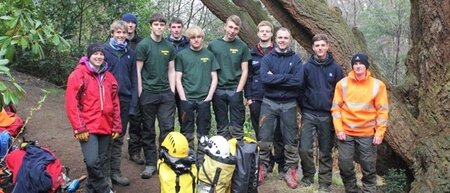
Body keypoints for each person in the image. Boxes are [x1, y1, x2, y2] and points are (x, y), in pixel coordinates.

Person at [65, 43, 120, 193]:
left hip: (106, 125)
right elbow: (72, 103)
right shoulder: (78, 74)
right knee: (91, 160)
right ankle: (104, 189)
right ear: (89, 56)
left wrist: (116, 125)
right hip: (87, 126)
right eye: (95, 54)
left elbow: (115, 103)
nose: (99, 57)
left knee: (102, 161)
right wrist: (79, 127)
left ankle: (90, 189)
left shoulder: (109, 77)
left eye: (101, 54)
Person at [331, 52, 389, 193]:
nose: (358, 66)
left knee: (368, 166)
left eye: (360, 64)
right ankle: (351, 189)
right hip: (346, 132)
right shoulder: (342, 84)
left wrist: (380, 132)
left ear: (366, 66)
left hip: (368, 133)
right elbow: (336, 109)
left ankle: (369, 190)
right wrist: (339, 129)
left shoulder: (377, 85)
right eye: (355, 64)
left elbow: (382, 111)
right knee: (344, 165)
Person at [258, 28, 303, 189]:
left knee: (290, 139)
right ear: (275, 39)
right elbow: (265, 79)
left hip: (289, 104)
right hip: (269, 103)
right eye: (280, 37)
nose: (282, 40)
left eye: (286, 38)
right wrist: (287, 77)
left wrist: (275, 78)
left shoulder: (296, 59)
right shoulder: (268, 58)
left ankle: (290, 170)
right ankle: (262, 167)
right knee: (264, 138)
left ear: (290, 40)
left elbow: (297, 82)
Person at [298, 33, 344, 191]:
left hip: (328, 115)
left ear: (328, 47)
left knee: (325, 150)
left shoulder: (336, 68)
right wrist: (305, 106)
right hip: (309, 113)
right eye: (317, 46)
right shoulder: (307, 67)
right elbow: (300, 90)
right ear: (313, 48)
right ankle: (308, 175)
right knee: (304, 148)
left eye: (323, 45)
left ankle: (325, 182)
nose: (320, 48)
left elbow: (341, 93)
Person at [135, 13, 176, 179]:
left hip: (166, 94)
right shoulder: (144, 45)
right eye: (156, 24)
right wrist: (140, 93)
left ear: (165, 27)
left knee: (167, 129)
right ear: (151, 26)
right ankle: (150, 164)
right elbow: (138, 71)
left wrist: (172, 92)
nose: (159, 27)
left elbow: (172, 69)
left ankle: (164, 161)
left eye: (161, 24)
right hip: (148, 93)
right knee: (149, 130)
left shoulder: (169, 46)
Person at [244, 20, 284, 174]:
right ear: (258, 33)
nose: (265, 33)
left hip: (275, 98)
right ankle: (266, 162)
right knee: (261, 133)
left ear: (271, 33)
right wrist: (248, 97)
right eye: (262, 31)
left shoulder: (279, 52)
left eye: (268, 31)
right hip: (256, 98)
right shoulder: (251, 53)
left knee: (277, 133)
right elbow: (247, 76)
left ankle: (281, 164)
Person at [175, 25, 219, 163]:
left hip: (204, 99)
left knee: (203, 131)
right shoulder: (182, 55)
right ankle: (188, 157)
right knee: (187, 130)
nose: (196, 40)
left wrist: (209, 97)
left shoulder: (209, 55)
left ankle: (201, 159)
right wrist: (183, 98)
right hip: (187, 98)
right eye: (193, 37)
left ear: (203, 38)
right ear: (189, 39)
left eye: (199, 37)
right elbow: (177, 78)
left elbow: (215, 78)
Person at [103, 20, 138, 186]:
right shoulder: (103, 51)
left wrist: (133, 102)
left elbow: (134, 79)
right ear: (112, 33)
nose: (121, 35)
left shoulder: (130, 53)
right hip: (106, 101)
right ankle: (105, 176)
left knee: (118, 137)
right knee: (105, 138)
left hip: (124, 99)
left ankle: (115, 172)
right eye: (118, 32)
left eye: (124, 33)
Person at [207, 15, 251, 140]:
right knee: (222, 126)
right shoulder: (213, 45)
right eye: (230, 27)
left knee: (237, 127)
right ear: (225, 26)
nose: (232, 31)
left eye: (236, 28)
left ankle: (238, 155)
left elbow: (245, 70)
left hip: (235, 89)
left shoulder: (242, 46)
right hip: (218, 89)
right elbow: (209, 68)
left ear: (239, 30)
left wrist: (238, 90)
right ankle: (223, 156)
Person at [122, 12, 146, 165]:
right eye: (127, 22)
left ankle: (134, 151)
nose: (130, 25)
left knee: (137, 120)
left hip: (138, 86)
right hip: (121, 87)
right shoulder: (116, 41)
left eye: (133, 22)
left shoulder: (142, 43)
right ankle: (112, 150)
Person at [166, 17, 190, 127]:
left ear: (182, 28)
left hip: (184, 84)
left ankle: (185, 139)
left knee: (184, 115)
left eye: (179, 27)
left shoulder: (189, 43)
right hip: (167, 84)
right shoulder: (164, 43)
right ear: (169, 28)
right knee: (168, 115)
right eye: (174, 27)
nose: (176, 30)